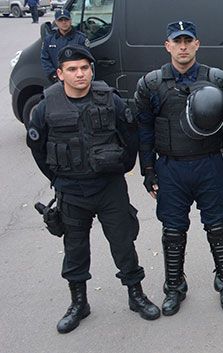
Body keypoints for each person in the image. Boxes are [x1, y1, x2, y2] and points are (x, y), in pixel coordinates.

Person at [26, 45, 160, 333]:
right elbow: (37, 147)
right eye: (72, 69)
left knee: (123, 243)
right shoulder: (46, 106)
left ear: (91, 70)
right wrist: (57, 178)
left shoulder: (110, 100)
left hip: (109, 188)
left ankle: (136, 295)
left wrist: (120, 167)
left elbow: (131, 136)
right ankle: (79, 303)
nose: (80, 74)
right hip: (71, 191)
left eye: (84, 68)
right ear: (60, 73)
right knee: (75, 248)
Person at [134, 21, 223, 315]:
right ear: (167, 46)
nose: (182, 47)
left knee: (218, 227)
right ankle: (174, 287)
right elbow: (144, 129)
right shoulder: (152, 84)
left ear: (197, 44)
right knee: (173, 231)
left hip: (209, 164)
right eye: (177, 42)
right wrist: (147, 170)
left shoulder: (217, 80)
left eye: (188, 41)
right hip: (170, 167)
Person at [40, 9, 89, 83]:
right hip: (56, 80)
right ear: (56, 22)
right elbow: (45, 59)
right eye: (60, 20)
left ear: (70, 21)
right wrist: (53, 75)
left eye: (66, 19)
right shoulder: (49, 40)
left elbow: (85, 60)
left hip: (76, 79)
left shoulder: (80, 39)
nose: (64, 22)